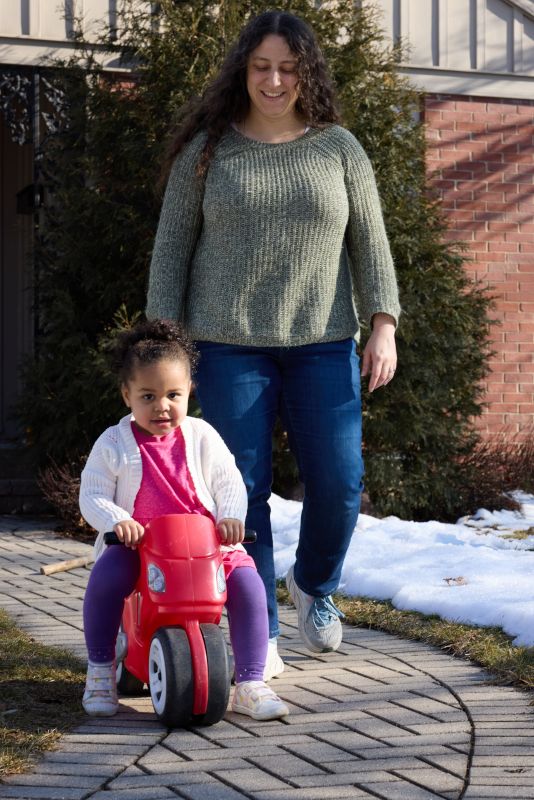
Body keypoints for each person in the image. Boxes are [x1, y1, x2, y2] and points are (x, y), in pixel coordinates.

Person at [146, 10, 401, 678]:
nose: (275, 79)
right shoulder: (207, 152)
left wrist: (383, 323)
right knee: (241, 492)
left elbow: (370, 242)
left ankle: (314, 585)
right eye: (262, 66)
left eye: (288, 66)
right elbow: (171, 251)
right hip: (226, 347)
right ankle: (257, 627)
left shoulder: (339, 148)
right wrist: (163, 348)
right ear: (243, 70)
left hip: (323, 343)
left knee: (341, 484)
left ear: (305, 72)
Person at [79, 319, 289, 721]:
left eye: (173, 394)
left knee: (248, 583)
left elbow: (229, 480)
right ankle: (101, 669)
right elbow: (92, 493)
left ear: (189, 390)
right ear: (127, 395)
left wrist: (230, 517)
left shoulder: (201, 435)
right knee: (106, 580)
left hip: (206, 544)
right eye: (148, 395)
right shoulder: (113, 442)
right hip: (139, 545)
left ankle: (249, 681)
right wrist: (118, 520)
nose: (162, 406)